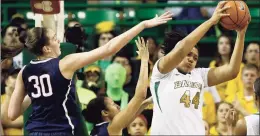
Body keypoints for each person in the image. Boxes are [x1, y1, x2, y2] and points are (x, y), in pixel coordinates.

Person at [7, 12, 172, 136]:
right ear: (46, 48)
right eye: (54, 38)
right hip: (61, 131)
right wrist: (142, 25)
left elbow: (12, 114)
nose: (58, 40)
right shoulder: (65, 63)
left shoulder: (24, 71)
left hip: (34, 131)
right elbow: (109, 48)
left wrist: (39, 94)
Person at [149, 1, 250, 135]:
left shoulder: (199, 75)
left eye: (195, 58)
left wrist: (240, 35)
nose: (191, 59)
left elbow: (232, 71)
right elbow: (181, 49)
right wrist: (211, 21)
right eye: (188, 54)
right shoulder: (162, 70)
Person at [83, 37, 152, 135]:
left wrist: (145, 103)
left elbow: (128, 117)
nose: (118, 106)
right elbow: (140, 95)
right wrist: (144, 61)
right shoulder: (112, 127)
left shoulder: (99, 128)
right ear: (105, 113)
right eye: (113, 105)